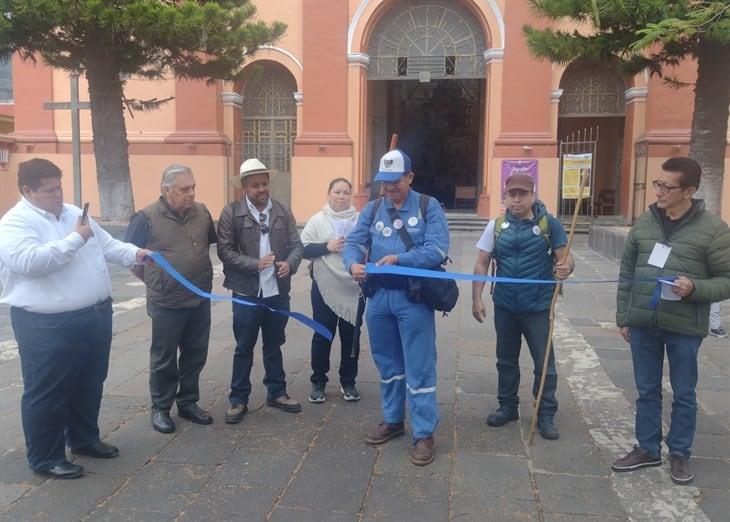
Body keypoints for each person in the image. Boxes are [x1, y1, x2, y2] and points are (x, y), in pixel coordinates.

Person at [0, 159, 151, 479]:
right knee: (48, 391)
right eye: (49, 190)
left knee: (89, 382)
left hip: (94, 316)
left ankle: (83, 439)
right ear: (27, 190)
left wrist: (135, 254)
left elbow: (108, 246)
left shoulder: (73, 213)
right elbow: (28, 262)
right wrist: (75, 239)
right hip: (46, 325)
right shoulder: (15, 223)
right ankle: (45, 456)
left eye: (60, 186)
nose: (58, 194)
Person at [612, 157, 730, 485]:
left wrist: (695, 288)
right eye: (657, 184)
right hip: (643, 324)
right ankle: (647, 448)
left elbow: (727, 279)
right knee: (646, 390)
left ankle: (680, 452)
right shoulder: (645, 222)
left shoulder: (714, 230)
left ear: (689, 190)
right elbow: (627, 271)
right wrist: (624, 316)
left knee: (684, 392)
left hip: (684, 326)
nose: (659, 191)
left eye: (667, 186)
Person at [343, 149, 450, 466]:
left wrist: (399, 260)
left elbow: (437, 249)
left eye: (395, 181)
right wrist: (352, 264)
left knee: (419, 366)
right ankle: (392, 420)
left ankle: (423, 433)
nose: (389, 188)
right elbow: (354, 242)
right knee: (387, 364)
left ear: (410, 177)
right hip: (378, 299)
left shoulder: (429, 207)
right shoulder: (374, 208)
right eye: (384, 182)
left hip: (413, 298)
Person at [472, 173, 574, 441]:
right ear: (505, 196)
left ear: (533, 195)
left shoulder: (550, 225)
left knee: (544, 363)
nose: (516, 200)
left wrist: (565, 268)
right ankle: (507, 406)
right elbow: (482, 262)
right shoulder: (496, 226)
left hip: (538, 306)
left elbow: (566, 259)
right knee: (505, 359)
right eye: (511, 195)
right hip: (505, 305)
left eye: (522, 195)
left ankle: (545, 413)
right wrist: (476, 297)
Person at [125, 165, 217, 434]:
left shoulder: (202, 213)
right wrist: (155, 281)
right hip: (166, 302)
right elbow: (131, 258)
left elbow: (208, 244)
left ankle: (188, 403)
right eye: (184, 189)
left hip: (199, 298)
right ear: (166, 190)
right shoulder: (145, 218)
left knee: (195, 353)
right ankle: (161, 408)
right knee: (164, 357)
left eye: (193, 188)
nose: (191, 194)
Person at [216, 158, 304, 424]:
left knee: (274, 343)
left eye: (264, 183)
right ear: (244, 186)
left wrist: (290, 264)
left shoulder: (282, 211)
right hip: (246, 293)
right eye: (255, 185)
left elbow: (297, 246)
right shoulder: (231, 213)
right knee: (244, 346)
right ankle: (238, 399)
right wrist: (256, 264)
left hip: (277, 292)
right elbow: (225, 251)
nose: (261, 189)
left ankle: (277, 392)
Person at [300, 178, 363, 403]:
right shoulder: (318, 220)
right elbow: (303, 249)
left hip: (352, 286)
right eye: (337, 192)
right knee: (323, 334)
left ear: (351, 196)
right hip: (324, 285)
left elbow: (369, 245)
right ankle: (318, 381)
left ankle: (349, 382)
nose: (341, 196)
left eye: (346, 192)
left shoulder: (360, 220)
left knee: (351, 337)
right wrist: (327, 246)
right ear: (329, 193)